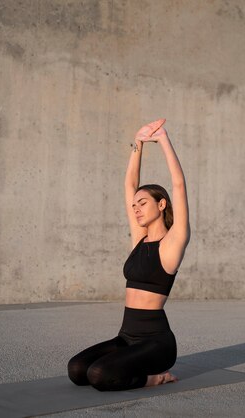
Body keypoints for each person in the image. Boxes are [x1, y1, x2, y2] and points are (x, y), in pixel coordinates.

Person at [67, 119, 191, 391]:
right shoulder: (140, 238)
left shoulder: (172, 243)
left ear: (161, 204)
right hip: (126, 336)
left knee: (99, 376)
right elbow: (129, 185)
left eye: (142, 203)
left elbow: (179, 185)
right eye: (134, 205)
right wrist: (138, 143)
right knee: (77, 370)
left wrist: (163, 140)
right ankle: (131, 367)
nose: (135, 208)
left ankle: (154, 378)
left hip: (156, 343)